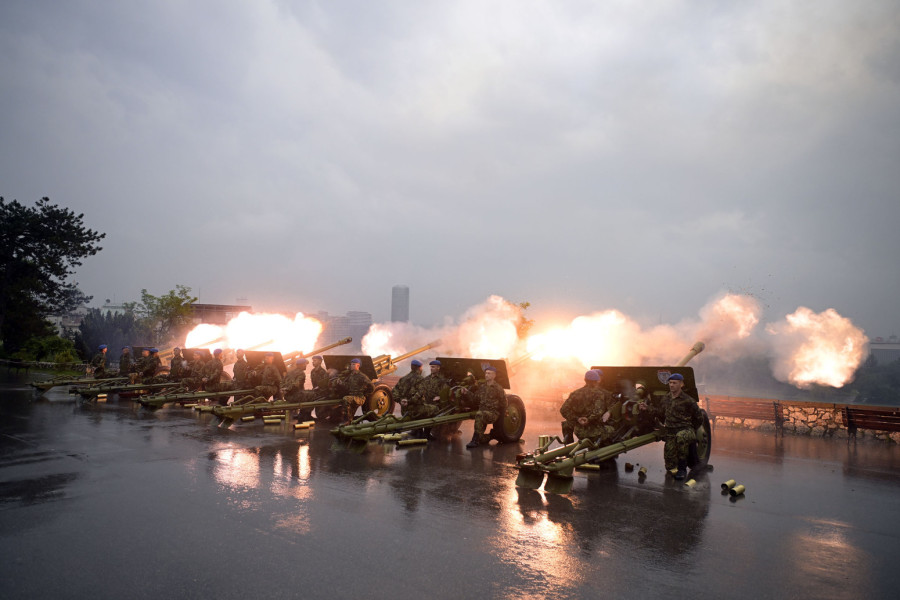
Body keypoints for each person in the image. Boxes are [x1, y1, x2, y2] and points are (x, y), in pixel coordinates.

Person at [641, 372, 703, 480]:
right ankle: (681, 463)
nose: (671, 385)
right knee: (669, 465)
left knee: (681, 437)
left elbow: (699, 418)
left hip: (685, 430)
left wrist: (691, 430)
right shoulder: (666, 398)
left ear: (681, 384)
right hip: (671, 432)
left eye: (674, 383)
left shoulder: (688, 400)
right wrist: (647, 408)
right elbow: (660, 412)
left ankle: (682, 469)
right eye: (670, 383)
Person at [559, 369, 617, 445]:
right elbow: (598, 412)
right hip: (594, 431)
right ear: (597, 381)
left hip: (578, 431)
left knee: (566, 423)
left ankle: (568, 445)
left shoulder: (575, 393)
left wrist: (577, 419)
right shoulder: (599, 394)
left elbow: (563, 410)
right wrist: (588, 420)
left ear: (585, 380)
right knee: (612, 430)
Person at [465, 365, 507, 449]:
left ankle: (474, 441)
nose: (486, 375)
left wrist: (500, 418)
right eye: (486, 373)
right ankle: (491, 435)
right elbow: (475, 399)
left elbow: (504, 403)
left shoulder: (498, 388)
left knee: (479, 414)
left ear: (494, 375)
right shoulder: (482, 387)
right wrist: (467, 392)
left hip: (492, 413)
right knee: (482, 439)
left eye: (489, 373)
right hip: (483, 413)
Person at [340, 358, 374, 424]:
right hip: (352, 397)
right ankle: (350, 422)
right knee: (351, 415)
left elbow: (372, 387)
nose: (351, 366)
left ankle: (346, 421)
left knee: (345, 399)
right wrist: (341, 383)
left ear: (358, 366)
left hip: (359, 398)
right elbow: (347, 386)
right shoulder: (351, 376)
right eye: (351, 364)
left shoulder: (362, 376)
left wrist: (365, 394)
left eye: (353, 364)